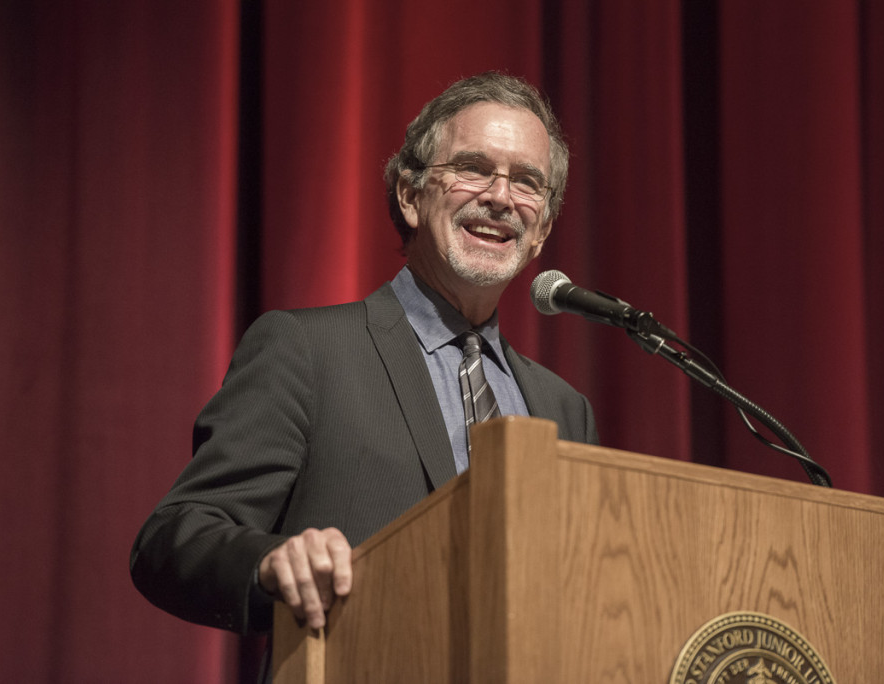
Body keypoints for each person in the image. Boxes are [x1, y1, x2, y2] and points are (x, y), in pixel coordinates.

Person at [130, 72, 598, 639]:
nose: (500, 197)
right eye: (473, 168)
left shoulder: (563, 409)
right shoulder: (305, 351)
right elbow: (175, 537)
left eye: (527, 182)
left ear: (543, 227)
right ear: (410, 196)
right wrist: (268, 564)